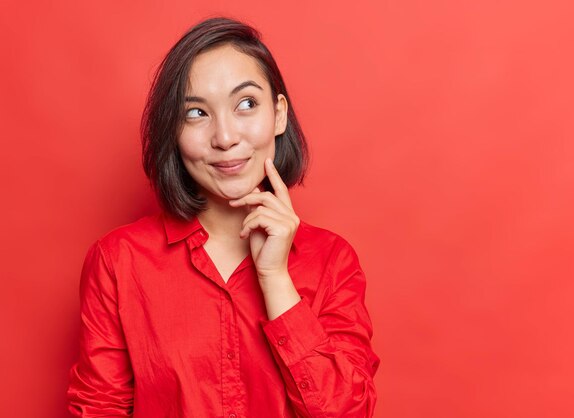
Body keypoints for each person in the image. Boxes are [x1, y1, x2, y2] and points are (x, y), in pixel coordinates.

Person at [67, 16, 379, 418]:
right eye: (196, 113)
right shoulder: (118, 261)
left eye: (246, 104)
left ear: (279, 114)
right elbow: (99, 409)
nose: (226, 137)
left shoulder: (332, 261)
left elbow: (347, 413)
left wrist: (276, 281)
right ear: (173, 133)